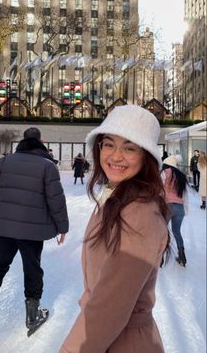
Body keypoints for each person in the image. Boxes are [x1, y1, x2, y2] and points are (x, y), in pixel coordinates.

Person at [59, 105, 169, 353]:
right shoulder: (113, 191)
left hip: (121, 341)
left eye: (129, 147)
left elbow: (111, 304)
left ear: (146, 157)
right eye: (108, 144)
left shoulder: (140, 212)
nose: (115, 156)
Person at [0, 127, 69, 339]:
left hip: (5, 229)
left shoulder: (6, 162)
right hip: (32, 231)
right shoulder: (48, 166)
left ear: (23, 141)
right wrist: (62, 227)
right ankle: (33, 318)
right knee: (32, 269)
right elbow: (56, 200)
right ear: (40, 142)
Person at [161, 155, 188, 267]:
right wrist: (185, 209)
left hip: (167, 205)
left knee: (163, 231)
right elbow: (185, 195)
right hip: (179, 207)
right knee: (177, 231)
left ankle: (160, 257)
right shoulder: (181, 175)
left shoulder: (164, 172)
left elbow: (159, 188)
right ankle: (182, 256)